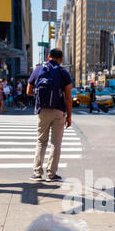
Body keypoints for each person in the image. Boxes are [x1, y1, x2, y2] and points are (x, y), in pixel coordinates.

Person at [27, 48, 72, 182]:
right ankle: (52, 174)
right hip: (59, 111)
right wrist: (69, 116)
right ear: (60, 59)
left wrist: (39, 95)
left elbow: (28, 91)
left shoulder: (38, 69)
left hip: (43, 110)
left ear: (48, 57)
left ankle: (37, 173)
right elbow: (68, 97)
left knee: (41, 141)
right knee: (55, 143)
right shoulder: (63, 72)